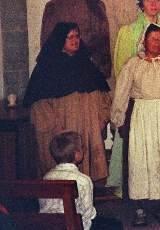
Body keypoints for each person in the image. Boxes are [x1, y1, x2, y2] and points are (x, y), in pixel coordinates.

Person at [111, 24, 160, 226]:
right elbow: (121, 92)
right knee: (141, 161)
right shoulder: (133, 64)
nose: (157, 42)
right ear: (144, 41)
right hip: (143, 116)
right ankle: (140, 208)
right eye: (153, 38)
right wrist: (118, 118)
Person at [107, 0, 160, 192]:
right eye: (148, 1)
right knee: (138, 149)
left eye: (157, 0)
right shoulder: (128, 32)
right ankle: (133, 189)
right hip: (138, 103)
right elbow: (122, 69)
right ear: (140, 5)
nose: (153, 4)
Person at [24, 22, 111, 182]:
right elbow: (39, 105)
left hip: (86, 128)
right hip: (61, 129)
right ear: (60, 40)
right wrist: (57, 127)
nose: (75, 40)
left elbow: (103, 95)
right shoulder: (46, 67)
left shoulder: (87, 64)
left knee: (84, 178)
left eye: (77, 36)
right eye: (70, 37)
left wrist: (102, 118)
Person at [40, 132, 124, 230]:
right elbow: (89, 215)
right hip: (76, 226)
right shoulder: (83, 180)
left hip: (49, 226)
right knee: (115, 224)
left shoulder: (46, 178)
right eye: (82, 147)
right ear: (77, 154)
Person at [41, 0, 112, 78]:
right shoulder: (54, 6)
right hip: (63, 63)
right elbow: (48, 38)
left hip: (90, 62)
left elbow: (102, 36)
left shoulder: (94, 4)